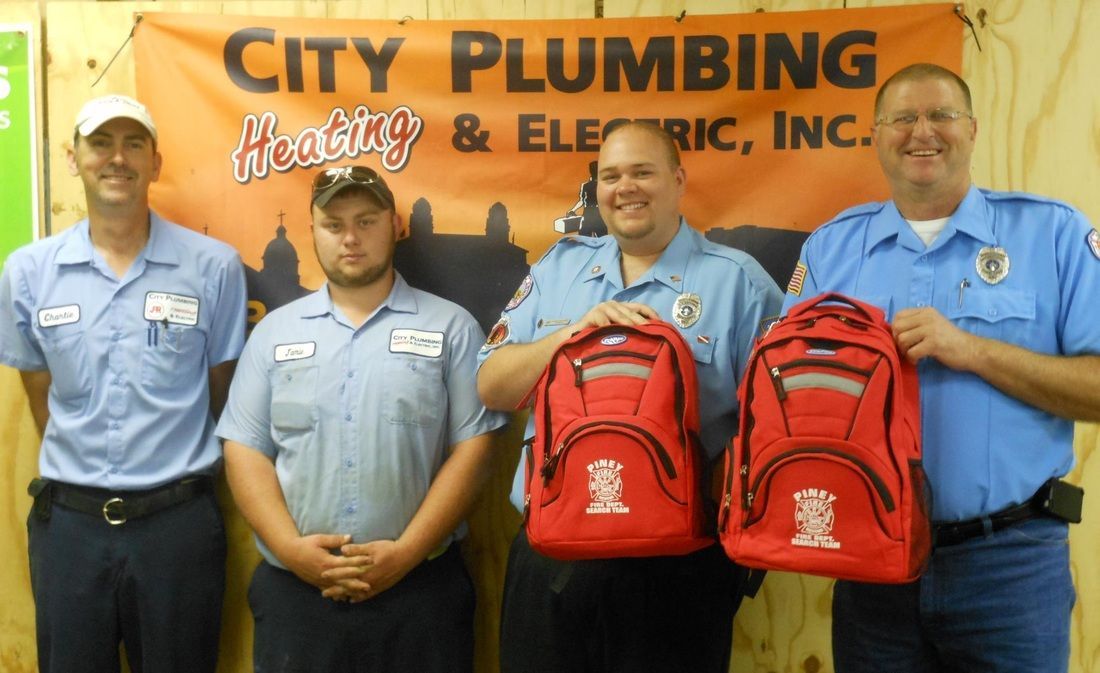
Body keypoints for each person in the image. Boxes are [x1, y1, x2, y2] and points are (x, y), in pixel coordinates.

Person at [782, 63, 1100, 672]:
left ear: (973, 129)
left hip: (1010, 565)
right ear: (875, 136)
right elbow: (782, 390)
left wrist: (972, 350)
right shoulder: (830, 249)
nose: (921, 132)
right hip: (868, 559)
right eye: (902, 118)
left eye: (941, 115)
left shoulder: (1052, 233)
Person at [477, 121, 783, 673]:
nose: (626, 187)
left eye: (643, 171)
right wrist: (569, 338)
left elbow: (778, 425)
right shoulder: (557, 269)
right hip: (552, 556)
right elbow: (492, 384)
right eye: (612, 175)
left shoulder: (740, 283)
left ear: (678, 180)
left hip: (676, 568)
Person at [215, 165, 506, 673]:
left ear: (394, 225)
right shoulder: (272, 335)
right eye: (333, 224)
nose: (350, 238)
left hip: (421, 596)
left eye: (366, 221)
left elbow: (475, 451)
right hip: (296, 599)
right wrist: (292, 550)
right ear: (313, 232)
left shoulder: (452, 328)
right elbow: (244, 448)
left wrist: (406, 553)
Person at [0, 94, 248, 673]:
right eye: (101, 143)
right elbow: (41, 393)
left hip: (177, 531)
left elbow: (221, 390)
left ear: (155, 163)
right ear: (73, 158)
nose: (118, 158)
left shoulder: (214, 268)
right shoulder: (28, 272)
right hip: (70, 532)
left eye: (133, 143)